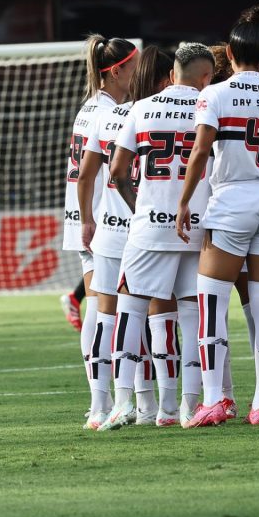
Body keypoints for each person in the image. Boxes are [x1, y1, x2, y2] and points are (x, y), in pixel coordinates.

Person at [175, 3, 259, 428]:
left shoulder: (215, 94)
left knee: (212, 304)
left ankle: (215, 399)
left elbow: (198, 153)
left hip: (231, 201)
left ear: (227, 56)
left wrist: (184, 201)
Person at [100, 43, 215, 430]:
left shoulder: (141, 108)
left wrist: (141, 210)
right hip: (196, 227)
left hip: (150, 227)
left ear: (171, 73)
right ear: (205, 76)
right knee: (192, 319)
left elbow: (117, 171)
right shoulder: (208, 107)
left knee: (129, 312)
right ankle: (182, 409)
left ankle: (122, 404)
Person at [80, 45, 170, 429]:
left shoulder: (106, 116)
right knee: (154, 319)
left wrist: (86, 219)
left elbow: (86, 175)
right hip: (144, 230)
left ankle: (102, 408)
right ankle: (154, 406)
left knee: (107, 320)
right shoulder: (155, 114)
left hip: (109, 233)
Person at [64, 34, 139, 431]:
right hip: (98, 219)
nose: (139, 72)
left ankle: (103, 401)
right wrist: (88, 218)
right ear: (117, 71)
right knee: (101, 311)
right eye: (134, 65)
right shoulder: (107, 111)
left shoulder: (91, 106)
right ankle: (101, 402)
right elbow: (95, 174)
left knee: (101, 309)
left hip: (87, 216)